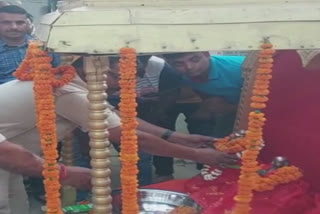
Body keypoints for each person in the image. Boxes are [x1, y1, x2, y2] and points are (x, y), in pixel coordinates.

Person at [0, 70, 238, 214]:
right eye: (120, 75)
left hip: (11, 163)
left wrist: (179, 137)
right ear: (98, 68)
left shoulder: (68, 82)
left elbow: (122, 119)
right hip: (8, 157)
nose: (124, 82)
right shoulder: (67, 93)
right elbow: (132, 138)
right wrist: (199, 155)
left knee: (16, 205)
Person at [0, 5, 58, 84]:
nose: (14, 27)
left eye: (20, 22)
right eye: (6, 23)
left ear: (27, 24)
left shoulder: (44, 46)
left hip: (44, 90)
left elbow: (58, 72)